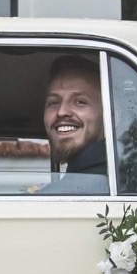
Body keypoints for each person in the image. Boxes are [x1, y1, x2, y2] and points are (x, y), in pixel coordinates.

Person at [39, 54, 108, 194]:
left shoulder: (103, 183)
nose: (61, 111)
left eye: (80, 102)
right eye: (53, 102)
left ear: (108, 114)